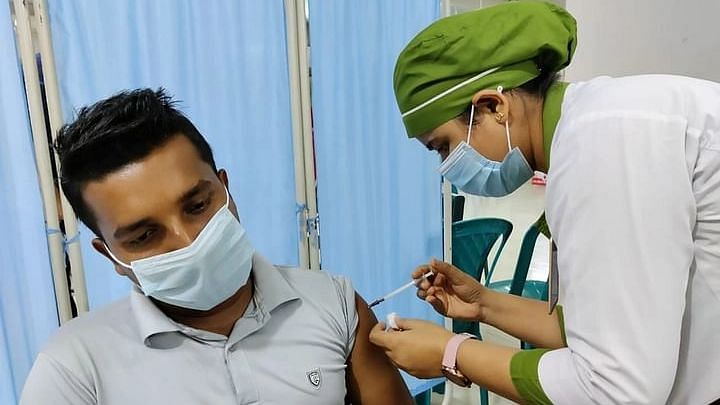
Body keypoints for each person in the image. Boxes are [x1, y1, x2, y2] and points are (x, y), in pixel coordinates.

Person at [369, 2, 720, 404]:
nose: (448, 166)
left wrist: (450, 353)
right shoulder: (597, 126)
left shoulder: (601, 148)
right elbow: (606, 328)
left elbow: (613, 389)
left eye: (443, 147)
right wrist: (484, 304)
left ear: (493, 107)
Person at [21, 88, 413, 405]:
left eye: (197, 205)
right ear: (110, 256)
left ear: (225, 187)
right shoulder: (73, 370)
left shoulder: (334, 303)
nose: (188, 240)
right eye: (144, 236)